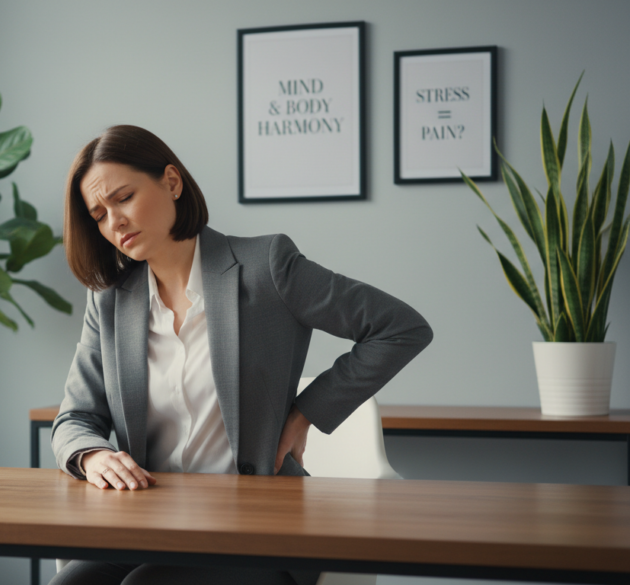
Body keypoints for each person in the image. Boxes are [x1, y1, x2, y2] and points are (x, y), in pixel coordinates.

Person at [50, 125, 433, 585]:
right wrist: (92, 456)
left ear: (171, 182)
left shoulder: (267, 267)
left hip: (260, 529)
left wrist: (304, 413)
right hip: (153, 523)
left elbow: (400, 328)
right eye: (98, 214)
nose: (114, 221)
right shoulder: (110, 301)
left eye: (124, 198)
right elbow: (75, 417)